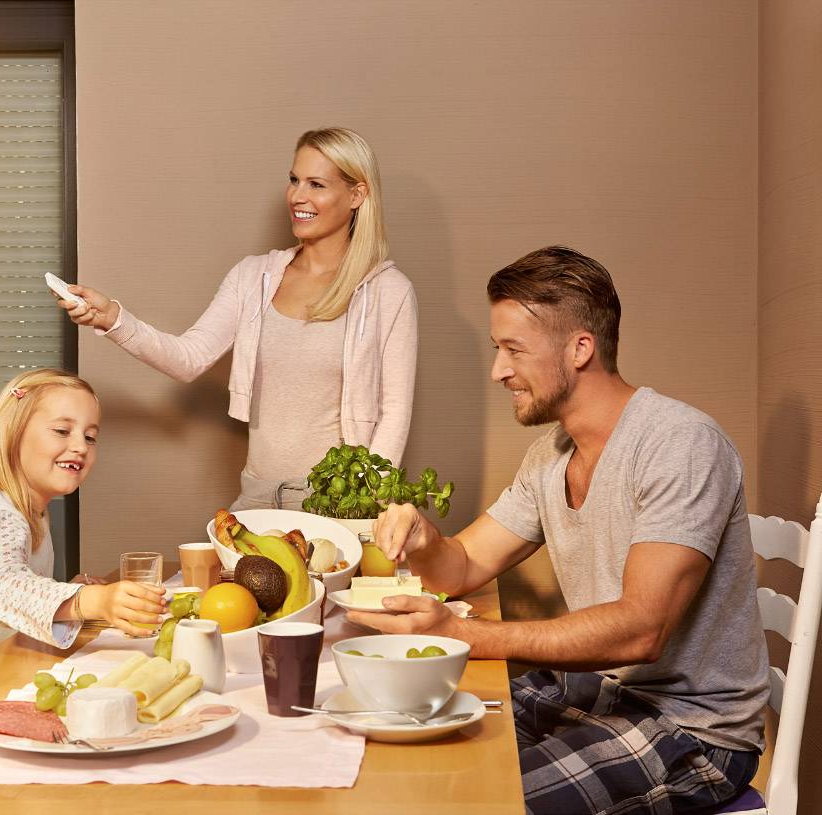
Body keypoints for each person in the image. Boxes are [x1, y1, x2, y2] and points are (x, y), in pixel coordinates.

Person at [351, 247, 768, 815]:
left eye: (513, 350)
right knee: (402, 748)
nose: (498, 370)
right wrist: (424, 539)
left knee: (472, 803)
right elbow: (463, 567)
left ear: (579, 348)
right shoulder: (551, 455)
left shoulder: (680, 444)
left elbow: (641, 629)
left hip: (689, 729)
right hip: (593, 692)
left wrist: (467, 634)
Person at [55, 127, 417, 510]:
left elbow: (395, 411)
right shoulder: (252, 277)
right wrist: (112, 318)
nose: (297, 196)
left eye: (316, 184)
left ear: (357, 195)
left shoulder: (388, 292)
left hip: (342, 503)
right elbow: (188, 358)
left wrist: (368, 501)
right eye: (294, 180)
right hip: (259, 496)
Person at [0, 369, 166, 688]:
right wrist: (89, 600)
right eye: (62, 430)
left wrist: (69, 589)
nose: (80, 446)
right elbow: (0, 590)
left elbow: (17, 581)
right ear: (14, 435)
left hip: (0, 679)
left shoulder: (32, 512)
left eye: (90, 436)